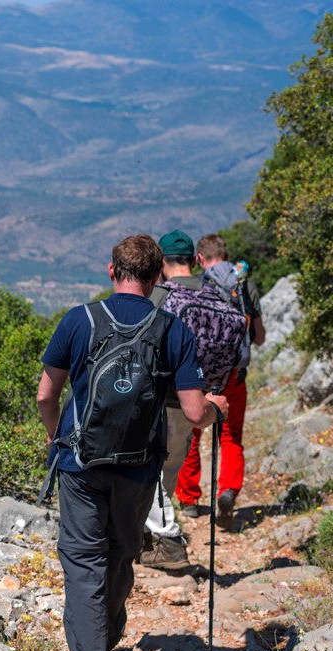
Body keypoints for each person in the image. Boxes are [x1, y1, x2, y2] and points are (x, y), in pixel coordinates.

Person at [37, 234, 228, 651]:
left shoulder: (79, 320)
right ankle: (105, 637)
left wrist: (58, 435)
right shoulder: (172, 330)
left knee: (83, 566)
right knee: (120, 554)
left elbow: (45, 394)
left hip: (81, 466)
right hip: (140, 466)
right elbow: (192, 411)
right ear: (158, 275)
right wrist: (215, 408)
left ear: (111, 271)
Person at [175, 233, 265, 531]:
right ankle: (227, 490)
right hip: (236, 376)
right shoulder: (245, 284)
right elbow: (260, 336)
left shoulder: (202, 285)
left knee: (193, 432)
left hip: (202, 375)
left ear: (199, 259)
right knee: (231, 436)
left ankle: (188, 499)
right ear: (226, 255)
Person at [139, 230, 206, 571]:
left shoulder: (160, 297)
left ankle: (168, 540)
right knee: (169, 469)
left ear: (162, 264)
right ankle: (152, 535)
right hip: (196, 398)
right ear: (195, 260)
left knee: (149, 468)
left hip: (160, 397)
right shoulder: (216, 295)